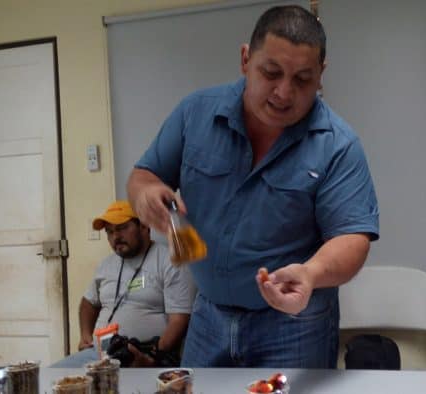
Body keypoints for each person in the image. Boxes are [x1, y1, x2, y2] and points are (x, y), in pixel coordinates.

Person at [127, 5, 379, 368]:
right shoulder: (195, 113)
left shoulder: (338, 144)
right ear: (246, 58)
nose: (283, 93)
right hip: (208, 317)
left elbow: (352, 238)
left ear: (321, 75)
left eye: (302, 79)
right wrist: (145, 194)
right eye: (271, 72)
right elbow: (143, 176)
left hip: (295, 327)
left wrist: (310, 273)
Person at [50, 201, 196, 367]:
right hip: (98, 354)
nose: (115, 237)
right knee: (50, 377)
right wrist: (85, 335)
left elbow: (180, 319)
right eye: (109, 232)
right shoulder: (106, 265)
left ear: (144, 226)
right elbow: (88, 303)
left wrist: (153, 357)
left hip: (141, 357)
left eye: (121, 228)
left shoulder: (169, 261)